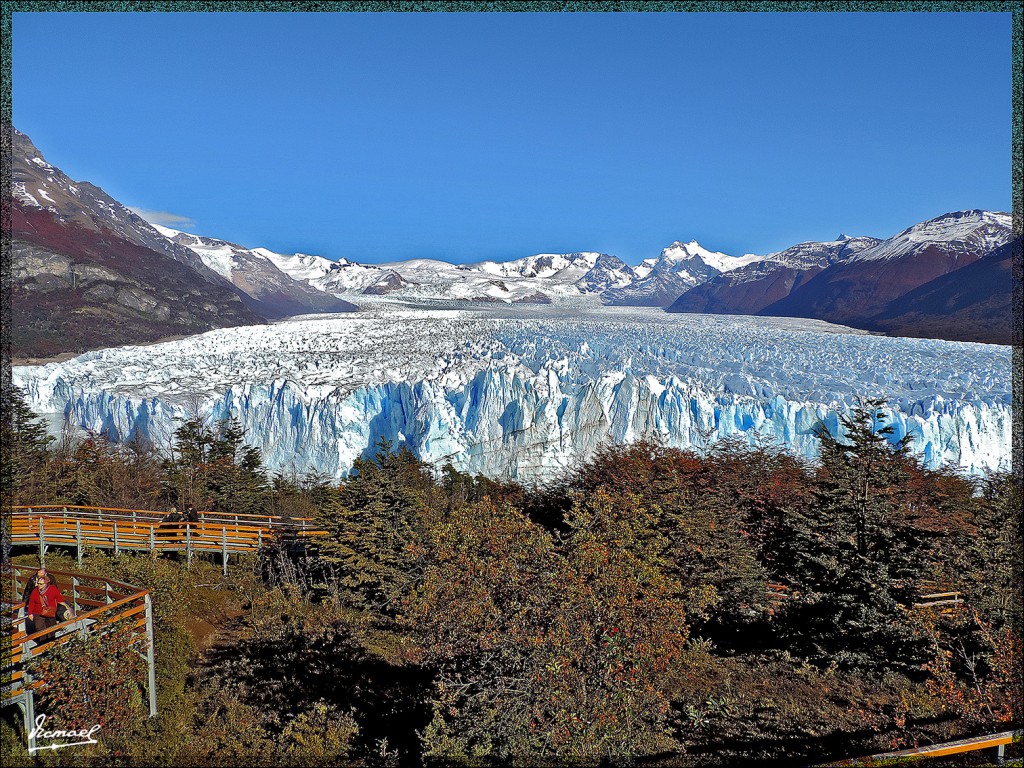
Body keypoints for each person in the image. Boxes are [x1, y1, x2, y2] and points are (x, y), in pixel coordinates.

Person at [25, 568, 69, 645]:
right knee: (39, 628)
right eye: (38, 583)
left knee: (51, 627)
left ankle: (51, 642)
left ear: (46, 583)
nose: (39, 585)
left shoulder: (52, 589)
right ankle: (43, 643)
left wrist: (66, 607)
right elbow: (31, 602)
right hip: (38, 612)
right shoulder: (35, 591)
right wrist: (30, 613)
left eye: (41, 584)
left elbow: (59, 599)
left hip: (50, 611)